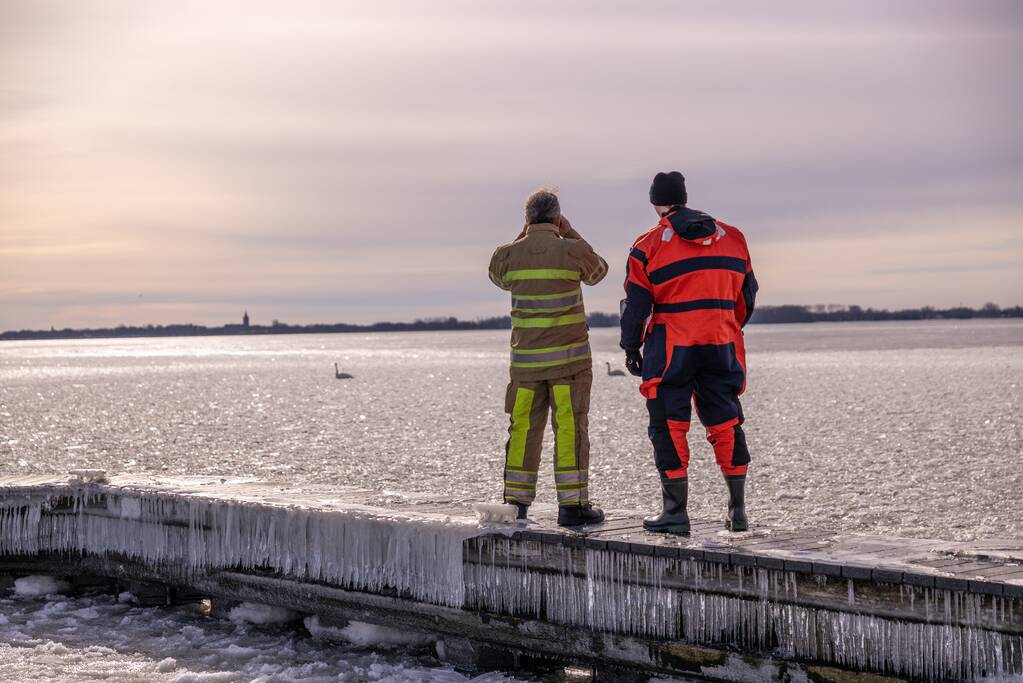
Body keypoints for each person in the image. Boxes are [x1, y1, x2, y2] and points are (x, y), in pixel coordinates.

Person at [620, 171, 758, 534]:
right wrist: (726, 324)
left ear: (655, 203)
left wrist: (631, 347)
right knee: (726, 421)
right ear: (684, 196)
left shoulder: (648, 245)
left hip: (672, 345)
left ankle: (676, 513)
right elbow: (747, 295)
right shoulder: (734, 237)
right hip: (721, 340)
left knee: (668, 424)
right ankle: (738, 510)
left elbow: (636, 306)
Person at [488, 188, 609, 527]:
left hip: (526, 367)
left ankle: (515, 502)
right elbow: (598, 271)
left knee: (523, 429)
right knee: (569, 429)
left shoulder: (508, 256)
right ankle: (573, 506)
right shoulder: (572, 251)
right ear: (557, 218)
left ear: (526, 221)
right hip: (569, 365)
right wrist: (568, 232)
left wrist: (526, 235)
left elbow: (497, 273)